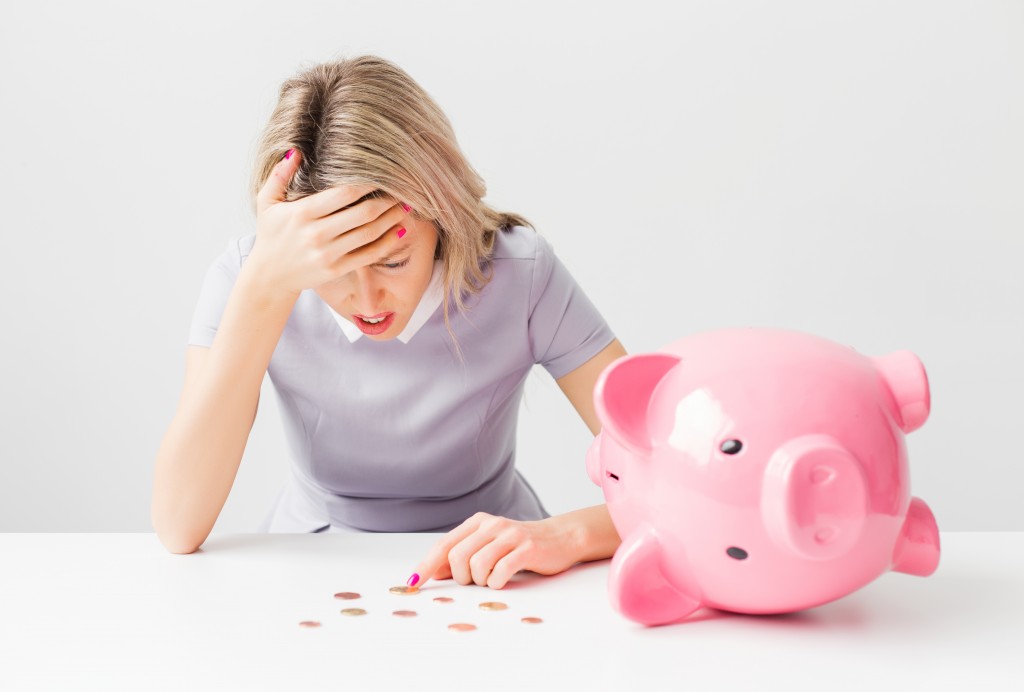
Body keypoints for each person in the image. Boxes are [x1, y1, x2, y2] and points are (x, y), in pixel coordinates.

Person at [152, 55, 626, 591]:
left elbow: (671, 473)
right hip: (311, 565)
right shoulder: (252, 278)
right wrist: (265, 287)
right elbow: (177, 524)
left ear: (443, 217)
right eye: (332, 270)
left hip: (494, 566)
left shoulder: (522, 273)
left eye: (393, 261)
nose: (367, 298)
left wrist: (565, 535)